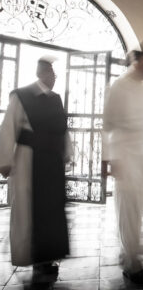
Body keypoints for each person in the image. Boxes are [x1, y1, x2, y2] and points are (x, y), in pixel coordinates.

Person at [0, 56, 72, 282]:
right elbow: (9, 126)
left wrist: (67, 153)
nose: (55, 76)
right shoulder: (22, 96)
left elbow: (62, 129)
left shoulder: (55, 99)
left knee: (50, 212)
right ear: (42, 73)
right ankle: (34, 258)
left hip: (51, 164)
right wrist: (4, 160)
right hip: (29, 162)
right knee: (31, 212)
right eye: (52, 72)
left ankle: (47, 258)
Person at [102, 43, 143, 285]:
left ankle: (128, 248)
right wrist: (108, 158)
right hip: (124, 153)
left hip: (140, 154)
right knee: (127, 206)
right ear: (137, 62)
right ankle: (132, 265)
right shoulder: (118, 86)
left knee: (136, 206)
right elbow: (107, 125)